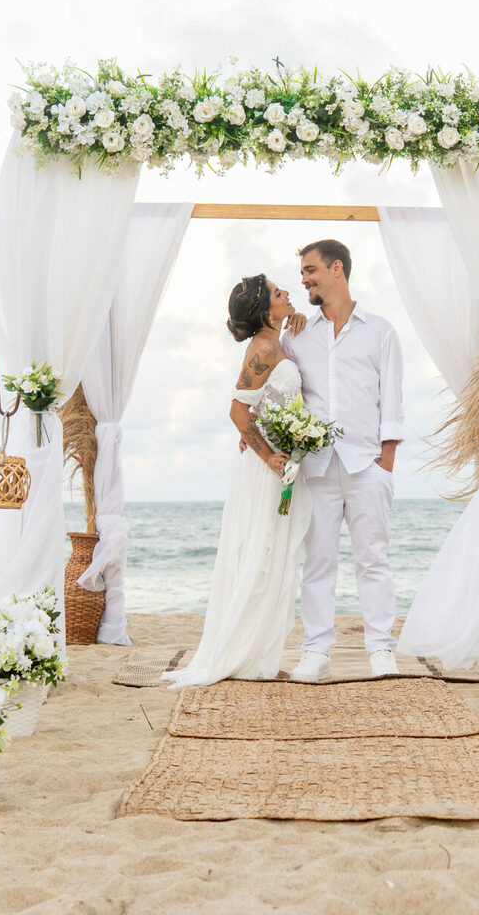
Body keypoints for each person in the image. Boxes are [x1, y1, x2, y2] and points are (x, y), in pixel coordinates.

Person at [162, 275, 311, 687]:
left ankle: (260, 656)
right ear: (265, 309)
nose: (288, 295)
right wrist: (269, 457)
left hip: (277, 464)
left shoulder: (274, 340)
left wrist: (294, 317)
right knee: (260, 560)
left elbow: (258, 405)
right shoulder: (263, 349)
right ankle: (246, 659)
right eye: (280, 294)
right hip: (265, 471)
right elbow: (237, 412)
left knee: (273, 559)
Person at [281, 239, 404, 681]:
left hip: (367, 464)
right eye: (301, 273)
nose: (304, 279)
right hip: (316, 467)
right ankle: (316, 651)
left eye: (310, 270)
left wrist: (385, 463)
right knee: (317, 562)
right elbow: (283, 392)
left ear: (337, 269)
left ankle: (381, 651)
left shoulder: (380, 331)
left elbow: (391, 399)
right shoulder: (296, 334)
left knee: (373, 560)